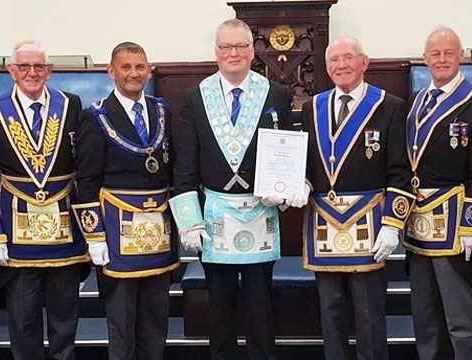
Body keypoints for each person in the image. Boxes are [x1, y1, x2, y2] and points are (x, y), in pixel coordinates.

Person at [170, 18, 293, 360]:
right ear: (216, 52)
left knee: (260, 305)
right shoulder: (196, 97)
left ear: (253, 51)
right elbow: (185, 165)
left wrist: (285, 189)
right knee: (219, 306)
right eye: (226, 47)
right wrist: (188, 220)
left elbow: (287, 151)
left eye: (240, 46)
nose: (233, 53)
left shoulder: (277, 95)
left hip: (260, 211)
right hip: (214, 217)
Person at [0, 40, 90, 360]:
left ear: (50, 71)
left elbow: (85, 171)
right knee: (23, 323)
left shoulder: (71, 105)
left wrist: (92, 232)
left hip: (66, 233)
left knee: (66, 321)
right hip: (15, 236)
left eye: (39, 66)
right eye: (24, 66)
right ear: (11, 70)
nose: (32, 73)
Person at [300, 35, 409, 360]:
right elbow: (305, 162)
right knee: (330, 315)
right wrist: (299, 184)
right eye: (334, 60)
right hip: (324, 225)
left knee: (369, 316)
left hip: (370, 226)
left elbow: (400, 172)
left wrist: (393, 225)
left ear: (364, 63)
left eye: (348, 58)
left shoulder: (389, 106)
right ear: (326, 66)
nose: (341, 65)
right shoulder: (312, 107)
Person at [73, 41, 179, 360]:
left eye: (140, 67)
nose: (134, 74)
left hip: (159, 234)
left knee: (156, 320)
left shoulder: (162, 110)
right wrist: (94, 237)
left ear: (149, 70)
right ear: (111, 72)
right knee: (121, 323)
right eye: (126, 67)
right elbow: (87, 180)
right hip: (116, 236)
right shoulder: (95, 117)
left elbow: (171, 171)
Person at [402, 26, 472, 360]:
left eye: (448, 53)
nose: (441, 60)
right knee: (426, 315)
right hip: (418, 225)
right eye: (435, 54)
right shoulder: (417, 101)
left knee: (462, 316)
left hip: (457, 225)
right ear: (425, 58)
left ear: (460, 55)